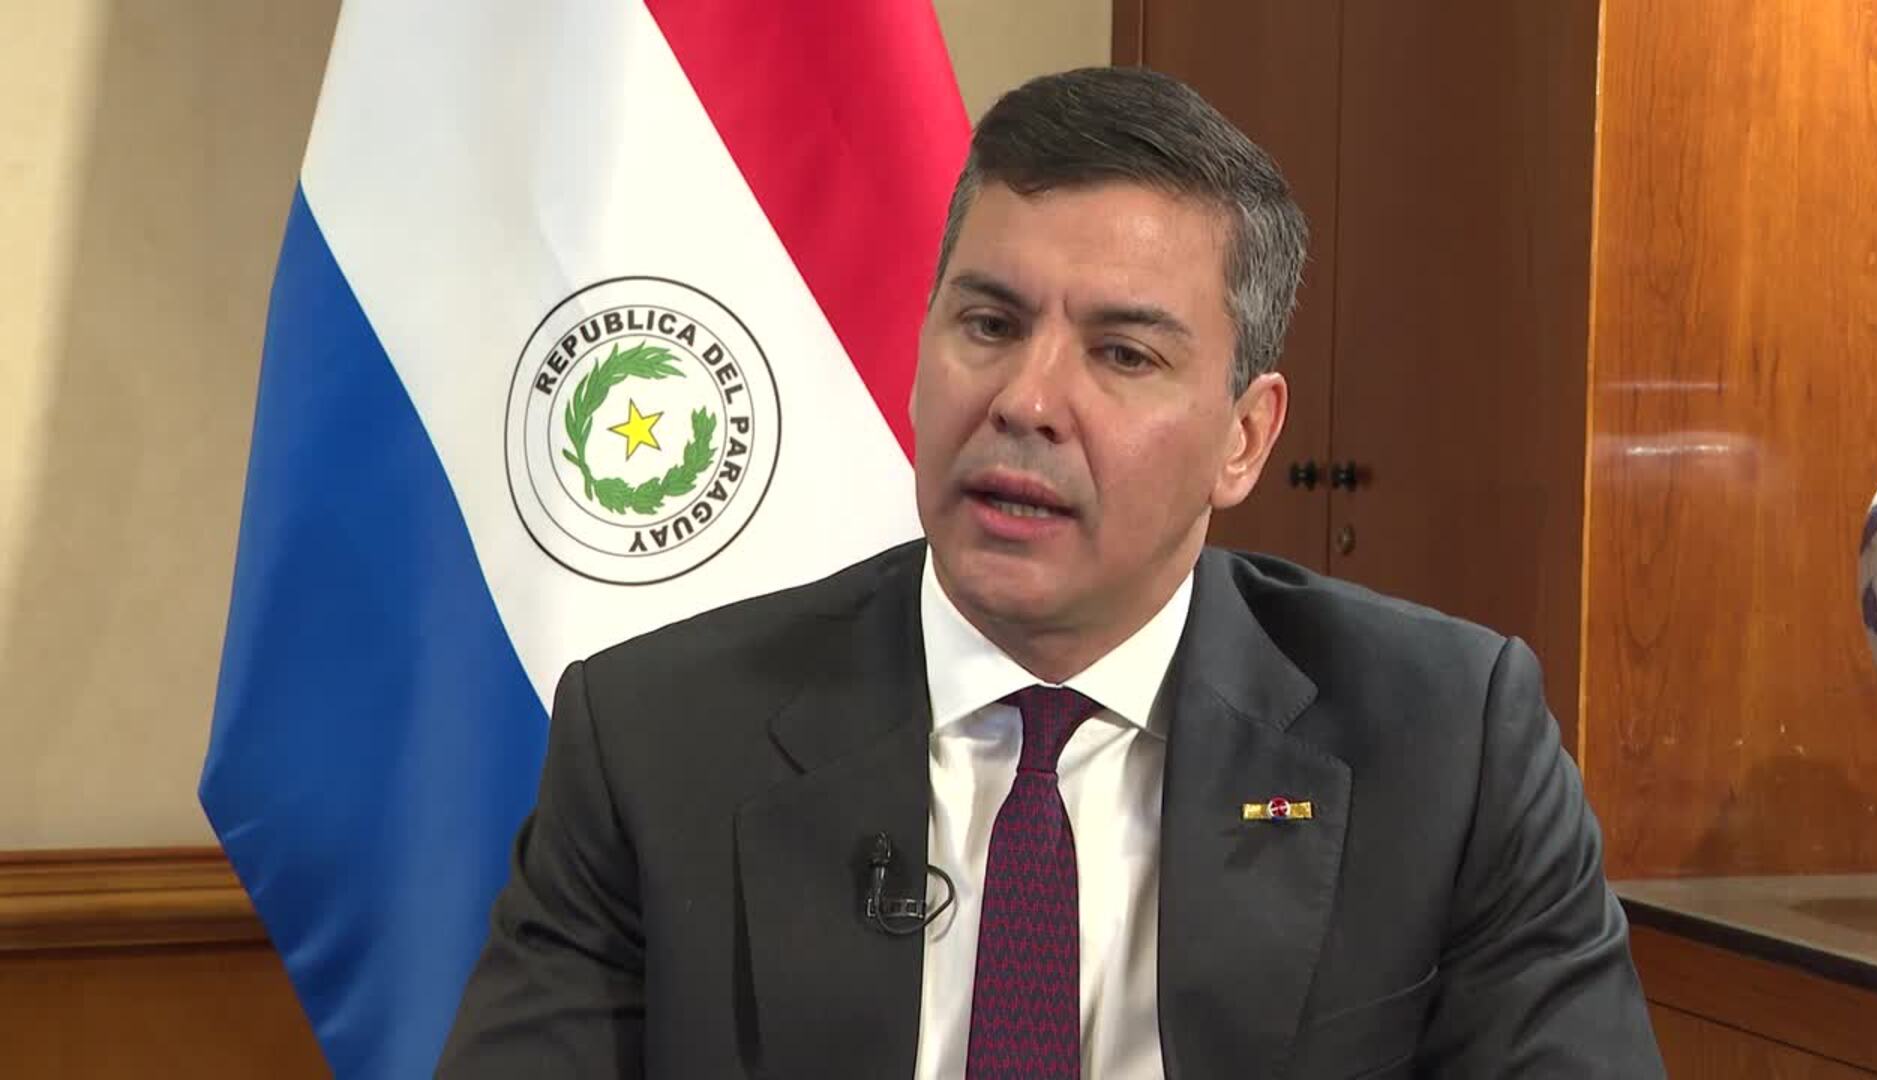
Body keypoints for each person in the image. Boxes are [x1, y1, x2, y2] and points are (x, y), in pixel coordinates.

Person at [438, 66, 1662, 1078]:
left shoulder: (1448, 747)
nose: (1025, 400)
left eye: (1123, 354)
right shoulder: (658, 740)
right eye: (989, 325)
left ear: (1244, 438)